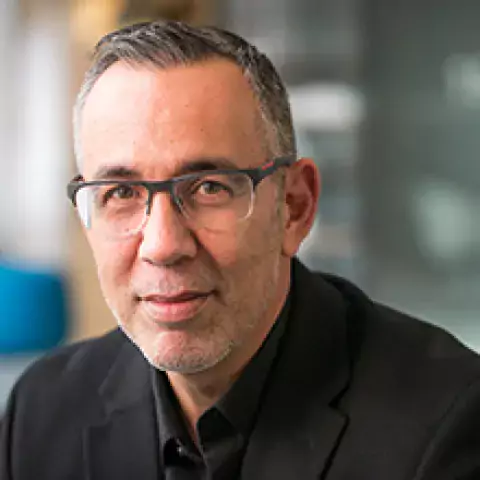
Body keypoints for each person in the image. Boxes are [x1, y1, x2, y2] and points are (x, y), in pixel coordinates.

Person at [1, 20, 480, 480]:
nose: (164, 245)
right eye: (121, 194)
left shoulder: (447, 424)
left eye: (209, 187)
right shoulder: (41, 412)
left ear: (294, 207)